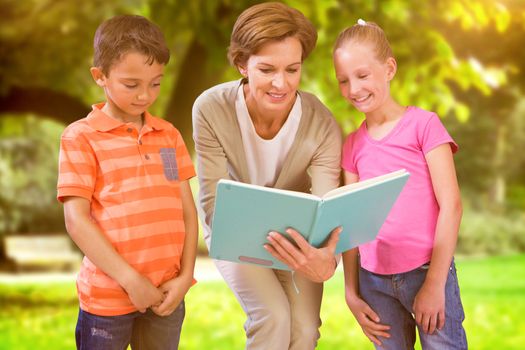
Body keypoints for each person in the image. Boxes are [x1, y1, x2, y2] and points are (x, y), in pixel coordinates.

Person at [192, 2, 342, 349]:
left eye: (292, 69)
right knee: (273, 316)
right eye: (267, 69)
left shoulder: (321, 124)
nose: (281, 83)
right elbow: (213, 203)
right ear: (242, 64)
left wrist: (327, 260)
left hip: (297, 241)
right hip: (235, 233)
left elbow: (327, 205)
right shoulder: (211, 108)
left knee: (304, 331)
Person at [57, 15, 198, 350]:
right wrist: (131, 281)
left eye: (156, 83)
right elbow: (77, 221)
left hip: (166, 296)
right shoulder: (80, 137)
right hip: (108, 301)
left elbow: (187, 213)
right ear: (100, 76)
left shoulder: (168, 136)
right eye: (131, 84)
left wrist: (184, 278)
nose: (144, 95)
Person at [333, 19, 468, 349]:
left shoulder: (424, 126)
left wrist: (435, 284)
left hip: (427, 272)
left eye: (362, 75)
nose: (354, 89)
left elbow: (452, 205)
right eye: (343, 80)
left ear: (389, 68)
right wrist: (351, 293)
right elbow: (351, 223)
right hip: (373, 283)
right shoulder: (352, 145)